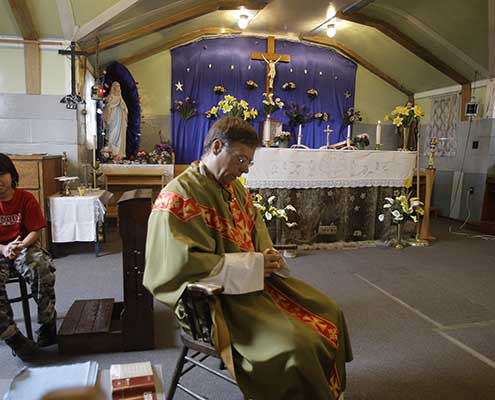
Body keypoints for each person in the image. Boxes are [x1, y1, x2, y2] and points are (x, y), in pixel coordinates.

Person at [143, 117, 353, 399]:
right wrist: (253, 265)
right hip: (217, 300)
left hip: (257, 284)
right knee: (296, 345)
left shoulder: (234, 188)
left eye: (248, 164)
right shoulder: (177, 197)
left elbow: (256, 227)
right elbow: (179, 266)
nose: (243, 172)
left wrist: (267, 255)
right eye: (240, 160)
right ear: (217, 147)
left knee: (329, 312)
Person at [0, 152, 57, 361]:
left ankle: (48, 323)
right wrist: (2, 249)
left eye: (1, 174)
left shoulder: (25, 198)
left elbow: (35, 231)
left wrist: (20, 245)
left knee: (41, 266)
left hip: (23, 247)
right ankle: (13, 338)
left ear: (12, 175)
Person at [103, 81, 129, 160]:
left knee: (120, 136)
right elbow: (107, 108)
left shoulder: (121, 99)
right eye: (117, 87)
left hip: (120, 121)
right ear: (113, 88)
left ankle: (118, 153)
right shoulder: (110, 97)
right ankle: (112, 153)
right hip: (112, 120)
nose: (118, 89)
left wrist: (124, 109)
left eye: (119, 87)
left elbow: (125, 109)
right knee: (112, 136)